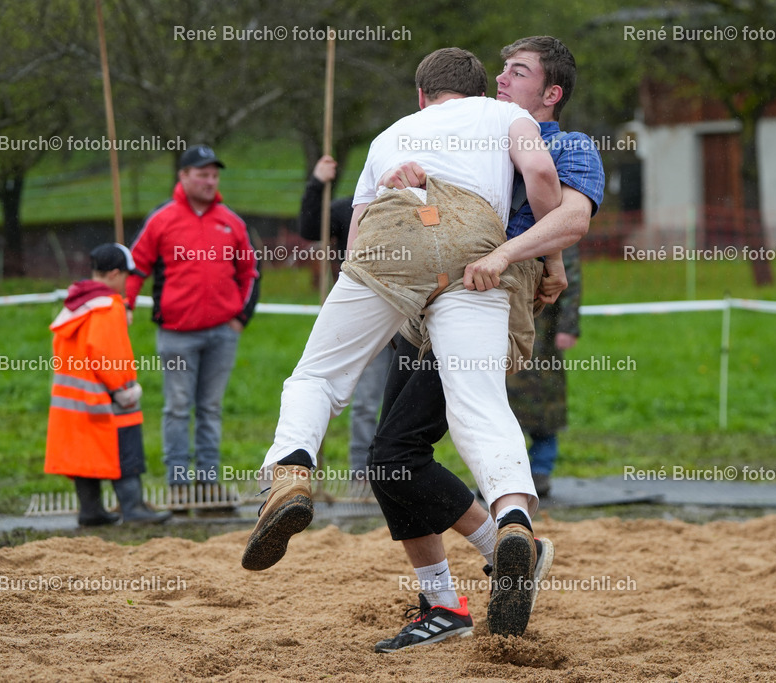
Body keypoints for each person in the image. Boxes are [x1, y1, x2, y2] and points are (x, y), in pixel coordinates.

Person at [241, 47, 569, 611]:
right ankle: (513, 520)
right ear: (481, 91)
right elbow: (540, 173)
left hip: (392, 236)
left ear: (421, 96)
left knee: (318, 374)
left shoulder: (391, 134)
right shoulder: (504, 114)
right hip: (476, 245)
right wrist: (551, 258)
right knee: (480, 402)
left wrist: (362, 290)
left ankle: (291, 471)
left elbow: (359, 232)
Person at [367, 36, 604, 650]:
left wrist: (512, 256)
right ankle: (474, 575)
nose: (501, 78)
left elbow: (571, 217)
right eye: (501, 69)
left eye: (518, 72)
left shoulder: (566, 144)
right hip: (430, 295)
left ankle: (483, 563)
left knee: (397, 451)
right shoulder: (481, 130)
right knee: (392, 458)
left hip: (484, 298)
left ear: (551, 93)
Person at [126, 145, 260, 501]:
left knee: (211, 409)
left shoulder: (232, 222)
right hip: (176, 335)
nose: (210, 181)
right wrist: (124, 305)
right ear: (183, 176)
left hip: (223, 333)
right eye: (202, 174)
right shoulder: (161, 220)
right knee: (177, 408)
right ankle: (179, 485)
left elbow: (250, 272)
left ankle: (208, 483)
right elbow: (135, 266)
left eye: (214, 175)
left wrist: (240, 318)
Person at [45, 243, 171, 526]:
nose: (128, 282)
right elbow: (107, 355)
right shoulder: (109, 306)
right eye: (127, 275)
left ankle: (91, 511)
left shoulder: (77, 302)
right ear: (114, 274)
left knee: (84, 454)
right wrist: (123, 390)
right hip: (105, 395)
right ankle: (134, 509)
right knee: (125, 448)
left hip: (74, 398)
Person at [299, 156, 392, 481]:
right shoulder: (347, 208)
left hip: (410, 315)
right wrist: (317, 183)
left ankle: (396, 473)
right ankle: (361, 475)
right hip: (363, 314)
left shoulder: (414, 205)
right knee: (366, 400)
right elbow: (310, 228)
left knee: (400, 403)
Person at [506, 244, 582, 498]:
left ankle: (540, 471)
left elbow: (571, 280)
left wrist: (568, 327)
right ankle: (504, 477)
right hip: (503, 325)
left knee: (545, 404)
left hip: (543, 332)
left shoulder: (557, 235)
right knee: (501, 408)